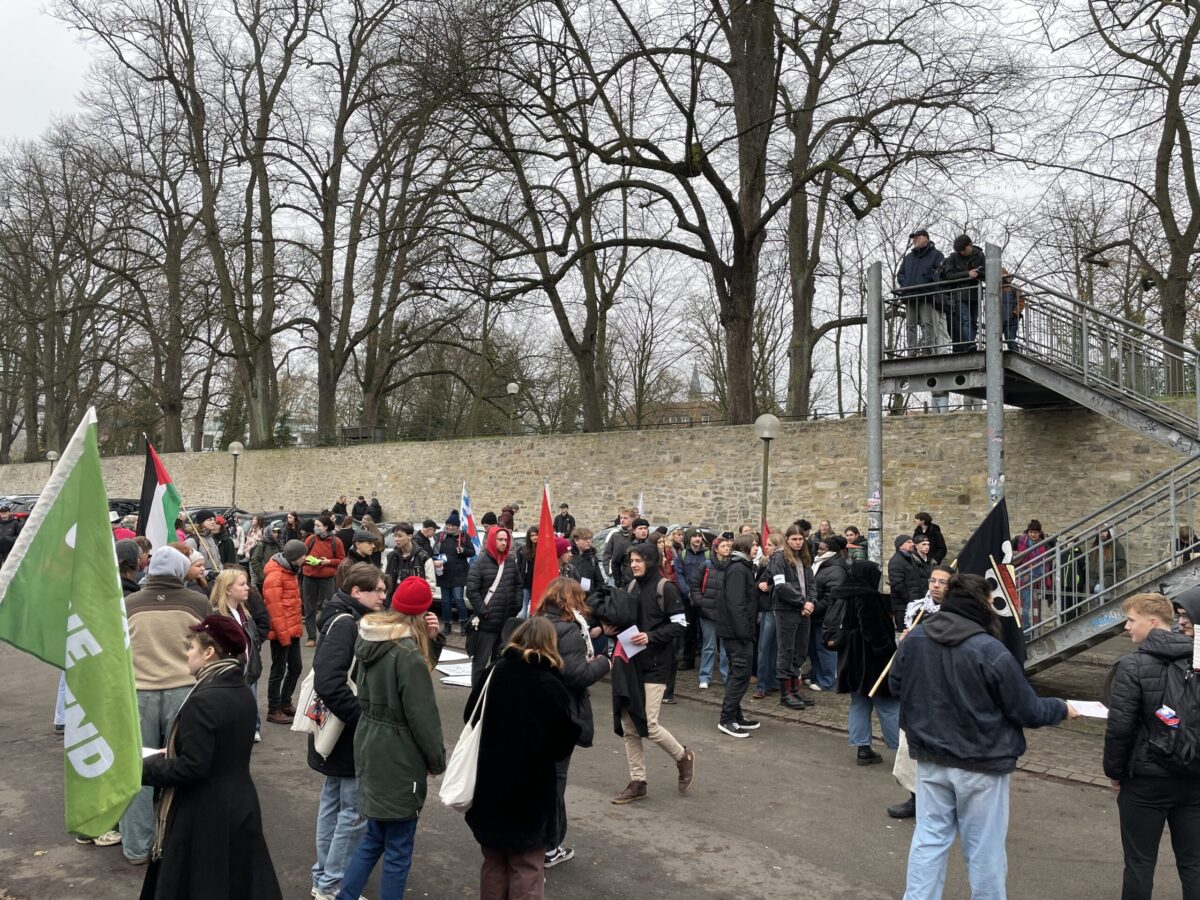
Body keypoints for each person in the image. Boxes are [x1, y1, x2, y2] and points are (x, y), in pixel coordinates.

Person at [890, 573, 1076, 899]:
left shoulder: (916, 639)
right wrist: (1062, 707)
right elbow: (1027, 709)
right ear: (981, 606)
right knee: (984, 849)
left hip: (932, 756)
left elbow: (896, 686)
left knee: (929, 839)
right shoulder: (990, 650)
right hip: (981, 762)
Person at [139, 615, 282, 899]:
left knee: (201, 884)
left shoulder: (203, 699)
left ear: (209, 652)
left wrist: (142, 768)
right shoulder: (240, 689)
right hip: (240, 802)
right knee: (238, 882)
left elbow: (192, 769)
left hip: (204, 812)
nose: (187, 654)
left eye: (191, 648)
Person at [338, 576, 445, 900]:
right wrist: (435, 760)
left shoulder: (373, 637)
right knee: (398, 848)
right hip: (398, 752)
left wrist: (432, 641)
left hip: (371, 740)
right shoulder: (407, 653)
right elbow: (422, 715)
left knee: (374, 836)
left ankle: (344, 896)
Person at [463, 617, 580, 900]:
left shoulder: (494, 672)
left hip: (489, 783)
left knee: (493, 861)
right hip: (531, 792)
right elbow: (563, 742)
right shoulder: (550, 682)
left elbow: (470, 716)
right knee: (526, 865)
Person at [119, 546, 213, 865]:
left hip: (138, 692)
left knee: (136, 770)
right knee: (184, 767)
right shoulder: (197, 602)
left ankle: (136, 846)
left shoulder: (129, 604)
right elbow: (213, 644)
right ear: (180, 571)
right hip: (184, 691)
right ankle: (179, 842)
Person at [1104, 592, 1200, 899]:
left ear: (1153, 621)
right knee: (1194, 864)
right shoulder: (1196, 661)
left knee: (1139, 863)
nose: (1126, 627)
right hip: (1193, 777)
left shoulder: (1131, 666)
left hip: (1146, 779)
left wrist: (1115, 771)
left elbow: (1120, 728)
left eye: (1131, 620)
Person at [307, 564, 391, 900]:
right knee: (352, 813)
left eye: (385, 590)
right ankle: (333, 883)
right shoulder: (345, 624)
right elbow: (328, 678)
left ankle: (323, 877)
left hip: (339, 734)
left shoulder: (343, 617)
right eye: (378, 591)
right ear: (357, 592)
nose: (384, 596)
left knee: (334, 804)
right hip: (347, 734)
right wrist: (362, 719)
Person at [606, 542, 695, 803]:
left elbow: (680, 624)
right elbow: (626, 621)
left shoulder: (665, 588)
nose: (633, 564)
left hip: (656, 666)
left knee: (649, 724)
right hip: (630, 664)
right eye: (631, 560)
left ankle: (683, 756)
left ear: (650, 561)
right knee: (629, 726)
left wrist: (652, 636)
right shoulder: (631, 587)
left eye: (638, 560)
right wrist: (611, 629)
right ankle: (638, 782)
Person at [535, 578, 611, 868]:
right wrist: (604, 663)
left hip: (537, 710)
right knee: (555, 781)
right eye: (578, 598)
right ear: (569, 601)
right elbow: (577, 675)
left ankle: (539, 840)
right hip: (560, 713)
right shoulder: (567, 631)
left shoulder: (537, 624)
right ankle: (549, 846)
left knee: (540, 777)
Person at [888, 565, 953, 819]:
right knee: (912, 749)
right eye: (933, 581)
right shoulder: (919, 609)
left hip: (943, 690)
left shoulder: (956, 614)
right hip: (918, 689)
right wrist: (907, 641)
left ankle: (944, 803)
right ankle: (916, 798)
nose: (936, 585)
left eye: (942, 582)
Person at [833, 560, 899, 766]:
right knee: (887, 704)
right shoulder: (867, 596)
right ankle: (901, 750)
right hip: (870, 659)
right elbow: (873, 630)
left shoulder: (847, 594)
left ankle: (862, 747)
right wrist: (888, 652)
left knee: (860, 702)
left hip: (851, 657)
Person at [210, 568, 268, 743]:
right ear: (228, 589)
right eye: (242, 584)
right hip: (230, 679)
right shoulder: (217, 617)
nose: (247, 588)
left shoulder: (244, 613)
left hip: (247, 674)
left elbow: (253, 638)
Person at [764, 524, 815, 711]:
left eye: (800, 539)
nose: (798, 542)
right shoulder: (779, 558)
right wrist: (802, 602)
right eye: (794, 539)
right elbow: (781, 586)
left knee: (800, 650)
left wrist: (810, 602)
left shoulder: (805, 557)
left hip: (804, 610)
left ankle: (795, 688)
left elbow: (811, 583)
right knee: (786, 649)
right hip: (787, 609)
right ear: (787, 540)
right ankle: (785, 693)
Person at [465, 526, 523, 688]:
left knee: (499, 663)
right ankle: (476, 695)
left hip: (505, 624)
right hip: (486, 624)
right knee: (480, 663)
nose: (504, 543)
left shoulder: (510, 562)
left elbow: (518, 585)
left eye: (506, 540)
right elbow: (472, 590)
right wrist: (484, 611)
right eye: (500, 539)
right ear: (492, 540)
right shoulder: (480, 563)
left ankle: (492, 694)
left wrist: (516, 605)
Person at [715, 534, 761, 738]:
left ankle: (735, 715)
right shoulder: (738, 569)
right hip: (737, 633)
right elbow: (736, 604)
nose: (756, 548)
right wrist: (745, 633)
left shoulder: (742, 567)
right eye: (753, 545)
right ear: (745, 547)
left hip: (739, 632)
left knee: (738, 674)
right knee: (740, 674)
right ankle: (727, 719)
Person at [262, 539, 308, 725]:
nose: (306, 558)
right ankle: (273, 709)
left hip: (292, 629)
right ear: (295, 557)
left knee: (296, 667)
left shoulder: (290, 571)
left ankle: (285, 702)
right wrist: (283, 636)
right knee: (278, 669)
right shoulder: (275, 576)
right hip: (282, 632)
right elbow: (274, 609)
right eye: (303, 555)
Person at [897, 228, 949, 357]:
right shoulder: (908, 257)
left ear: (926, 238)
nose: (914, 240)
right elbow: (900, 274)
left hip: (926, 294)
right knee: (910, 324)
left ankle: (927, 349)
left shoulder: (937, 254)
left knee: (927, 323)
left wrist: (926, 280)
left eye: (917, 237)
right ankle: (912, 350)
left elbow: (939, 272)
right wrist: (906, 285)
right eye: (913, 238)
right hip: (909, 295)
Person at [690, 534, 730, 690]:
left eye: (729, 546)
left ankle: (726, 676)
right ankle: (705, 676)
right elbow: (695, 586)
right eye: (723, 546)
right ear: (716, 549)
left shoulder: (732, 566)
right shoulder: (706, 565)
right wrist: (701, 603)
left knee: (726, 647)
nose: (727, 549)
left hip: (725, 613)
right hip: (707, 613)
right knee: (709, 646)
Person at [808, 535, 847, 691]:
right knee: (813, 649)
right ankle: (816, 677)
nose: (818, 551)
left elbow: (831, 596)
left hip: (825, 616)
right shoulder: (820, 564)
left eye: (822, 549)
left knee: (824, 649)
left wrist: (814, 607)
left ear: (831, 551)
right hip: (815, 615)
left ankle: (827, 681)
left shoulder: (835, 569)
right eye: (819, 548)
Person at [302, 516, 346, 646]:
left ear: (326, 527)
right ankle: (311, 637)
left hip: (326, 579)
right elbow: (302, 555)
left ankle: (326, 634)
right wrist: (309, 560)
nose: (315, 528)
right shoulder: (310, 539)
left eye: (318, 525)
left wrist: (327, 561)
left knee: (328, 607)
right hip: (309, 578)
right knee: (309, 608)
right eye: (315, 525)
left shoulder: (336, 542)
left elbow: (342, 560)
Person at [939, 234, 986, 352]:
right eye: (959, 251)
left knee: (973, 321)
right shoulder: (953, 257)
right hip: (960, 294)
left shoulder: (980, 255)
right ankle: (970, 344)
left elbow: (987, 273)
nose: (962, 253)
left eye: (963, 250)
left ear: (970, 245)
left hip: (975, 293)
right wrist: (967, 273)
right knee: (966, 320)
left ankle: (970, 344)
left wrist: (978, 274)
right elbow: (949, 275)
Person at [435, 511, 476, 634]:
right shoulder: (441, 536)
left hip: (459, 574)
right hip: (444, 573)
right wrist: (437, 561)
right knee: (445, 601)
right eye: (449, 525)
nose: (450, 527)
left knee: (458, 599)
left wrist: (463, 550)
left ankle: (464, 623)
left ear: (458, 527)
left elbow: (472, 552)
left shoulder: (463, 536)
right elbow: (436, 553)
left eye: (453, 525)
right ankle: (447, 625)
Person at [673, 528, 708, 671]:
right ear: (689, 539)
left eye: (699, 536)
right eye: (694, 536)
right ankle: (688, 659)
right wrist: (688, 593)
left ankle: (707, 663)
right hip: (687, 599)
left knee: (706, 630)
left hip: (704, 597)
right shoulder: (681, 556)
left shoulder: (708, 555)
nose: (697, 539)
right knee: (689, 629)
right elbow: (679, 577)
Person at [385, 522, 438, 601]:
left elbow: (430, 586)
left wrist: (422, 603)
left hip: (415, 604)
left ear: (410, 536)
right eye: (394, 536)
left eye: (400, 536)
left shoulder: (424, 557)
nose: (396, 539)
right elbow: (385, 580)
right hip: (394, 603)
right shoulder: (391, 556)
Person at [1013, 519, 1051, 625]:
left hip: (1038, 578)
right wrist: (1017, 553)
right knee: (1026, 605)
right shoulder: (1020, 540)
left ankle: (1034, 627)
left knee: (1035, 605)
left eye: (1035, 532)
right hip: (1024, 576)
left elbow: (1047, 560)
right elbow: (1008, 552)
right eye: (1031, 532)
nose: (1033, 535)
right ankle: (1026, 627)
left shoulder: (1043, 544)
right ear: (1028, 532)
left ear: (1039, 533)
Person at [888, 535, 926, 631]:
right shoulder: (896, 561)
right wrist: (910, 600)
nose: (912, 544)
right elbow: (897, 584)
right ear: (900, 545)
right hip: (903, 607)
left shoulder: (910, 559)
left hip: (914, 605)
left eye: (912, 542)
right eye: (909, 542)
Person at [601, 508, 634, 584]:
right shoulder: (615, 536)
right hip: (615, 576)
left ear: (632, 519)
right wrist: (610, 572)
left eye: (625, 518)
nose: (622, 520)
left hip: (631, 577)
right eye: (621, 518)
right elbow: (606, 554)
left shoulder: (635, 537)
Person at [249, 520, 283, 588]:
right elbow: (254, 561)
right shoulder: (262, 545)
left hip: (275, 576)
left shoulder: (277, 544)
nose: (276, 534)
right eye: (274, 532)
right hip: (265, 578)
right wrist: (262, 576)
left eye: (277, 532)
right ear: (269, 532)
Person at [570, 527, 603, 593]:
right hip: (573, 594)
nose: (588, 541)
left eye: (590, 538)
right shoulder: (569, 557)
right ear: (576, 540)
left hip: (590, 595)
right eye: (585, 539)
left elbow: (599, 580)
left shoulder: (592, 558)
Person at [518, 525, 540, 618]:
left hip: (538, 584)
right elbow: (519, 567)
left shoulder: (542, 549)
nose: (534, 537)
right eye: (532, 535)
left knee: (537, 610)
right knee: (523, 609)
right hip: (526, 583)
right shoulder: (522, 550)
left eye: (536, 535)